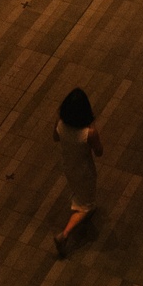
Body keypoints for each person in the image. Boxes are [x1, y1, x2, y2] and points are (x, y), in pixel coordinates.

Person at [52, 87, 102, 254]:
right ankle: (65, 234)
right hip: (84, 170)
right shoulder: (89, 133)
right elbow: (99, 152)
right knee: (86, 206)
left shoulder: (60, 124)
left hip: (68, 165)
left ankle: (80, 202)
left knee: (78, 192)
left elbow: (55, 137)